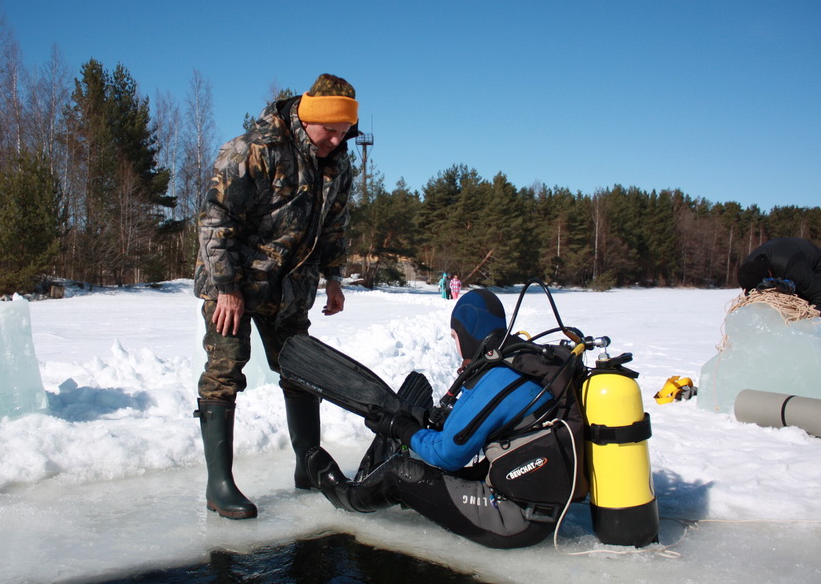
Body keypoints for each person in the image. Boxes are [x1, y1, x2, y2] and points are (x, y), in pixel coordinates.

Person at [193, 74, 358, 520]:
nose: (338, 139)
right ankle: (219, 485)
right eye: (331, 130)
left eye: (345, 131)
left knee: (302, 371)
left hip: (290, 288)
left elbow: (335, 225)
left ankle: (308, 465)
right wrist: (227, 288)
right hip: (235, 284)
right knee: (225, 370)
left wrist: (334, 277)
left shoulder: (337, 164)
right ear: (309, 119)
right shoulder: (253, 150)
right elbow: (215, 221)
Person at [305, 289, 578, 549]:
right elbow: (475, 427)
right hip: (539, 500)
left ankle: (347, 497)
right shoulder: (520, 363)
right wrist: (419, 417)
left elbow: (448, 454)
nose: (456, 344)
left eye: (454, 335)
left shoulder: (496, 381)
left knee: (400, 472)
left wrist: (400, 428)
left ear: (467, 333)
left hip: (516, 520)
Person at [738, 237, 821, 318]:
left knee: (804, 303)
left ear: (769, 277)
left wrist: (816, 326)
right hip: (781, 252)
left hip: (811, 258)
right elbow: (752, 294)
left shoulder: (792, 267)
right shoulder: (747, 270)